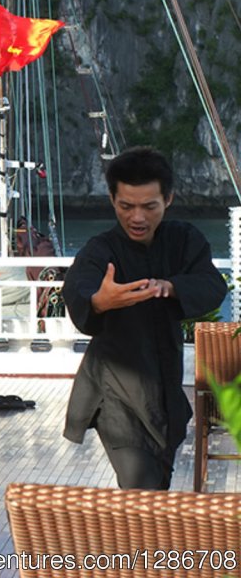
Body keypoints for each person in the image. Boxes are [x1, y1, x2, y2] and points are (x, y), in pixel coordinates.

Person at [62, 146, 227, 490]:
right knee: (142, 490)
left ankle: (144, 544)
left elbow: (212, 285)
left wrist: (172, 286)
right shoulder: (100, 250)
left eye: (149, 206)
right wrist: (100, 301)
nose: (137, 217)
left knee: (157, 488)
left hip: (165, 394)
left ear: (168, 199)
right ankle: (141, 545)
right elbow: (79, 290)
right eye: (126, 206)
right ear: (112, 200)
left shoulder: (184, 240)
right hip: (115, 394)